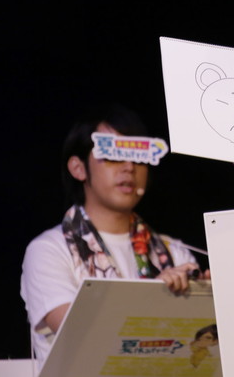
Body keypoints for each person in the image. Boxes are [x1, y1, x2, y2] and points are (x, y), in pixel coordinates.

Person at [20, 103, 209, 365]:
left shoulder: (173, 252)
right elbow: (80, 336)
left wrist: (207, 297)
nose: (129, 167)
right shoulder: (49, 251)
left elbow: (201, 341)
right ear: (78, 168)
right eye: (113, 155)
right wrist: (156, 296)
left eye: (138, 156)